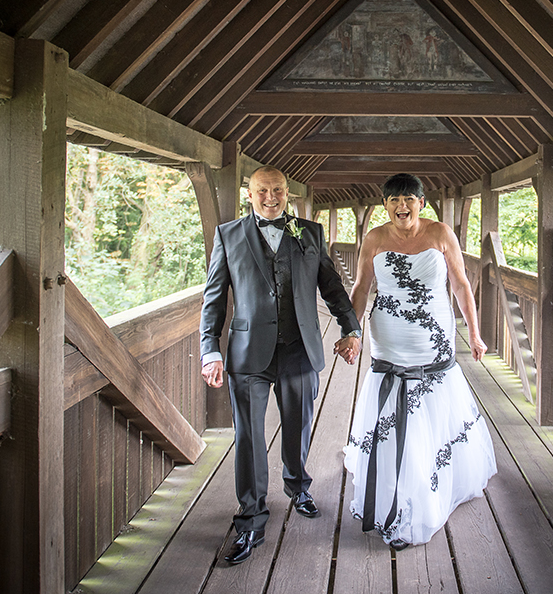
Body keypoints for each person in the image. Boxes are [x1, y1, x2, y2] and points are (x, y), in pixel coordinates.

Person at [199, 167, 364, 566]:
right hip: (247, 353)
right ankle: (251, 518)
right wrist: (210, 350)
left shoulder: (310, 233)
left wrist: (352, 328)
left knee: (298, 425)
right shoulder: (229, 235)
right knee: (250, 437)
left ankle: (297, 485)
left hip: (299, 349)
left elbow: (332, 287)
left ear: (287, 193)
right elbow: (215, 297)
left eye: (277, 190)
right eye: (261, 191)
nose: (269, 197)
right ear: (249, 193)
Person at [342, 173, 496, 550]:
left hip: (434, 337)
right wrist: (353, 332)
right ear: (385, 206)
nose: (402, 206)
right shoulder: (374, 239)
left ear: (422, 203)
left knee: (429, 404)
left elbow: (460, 284)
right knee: (393, 405)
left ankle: (427, 482)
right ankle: (398, 484)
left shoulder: (442, 234)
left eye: (409, 198)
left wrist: (474, 334)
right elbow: (361, 287)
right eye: (394, 199)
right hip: (390, 339)